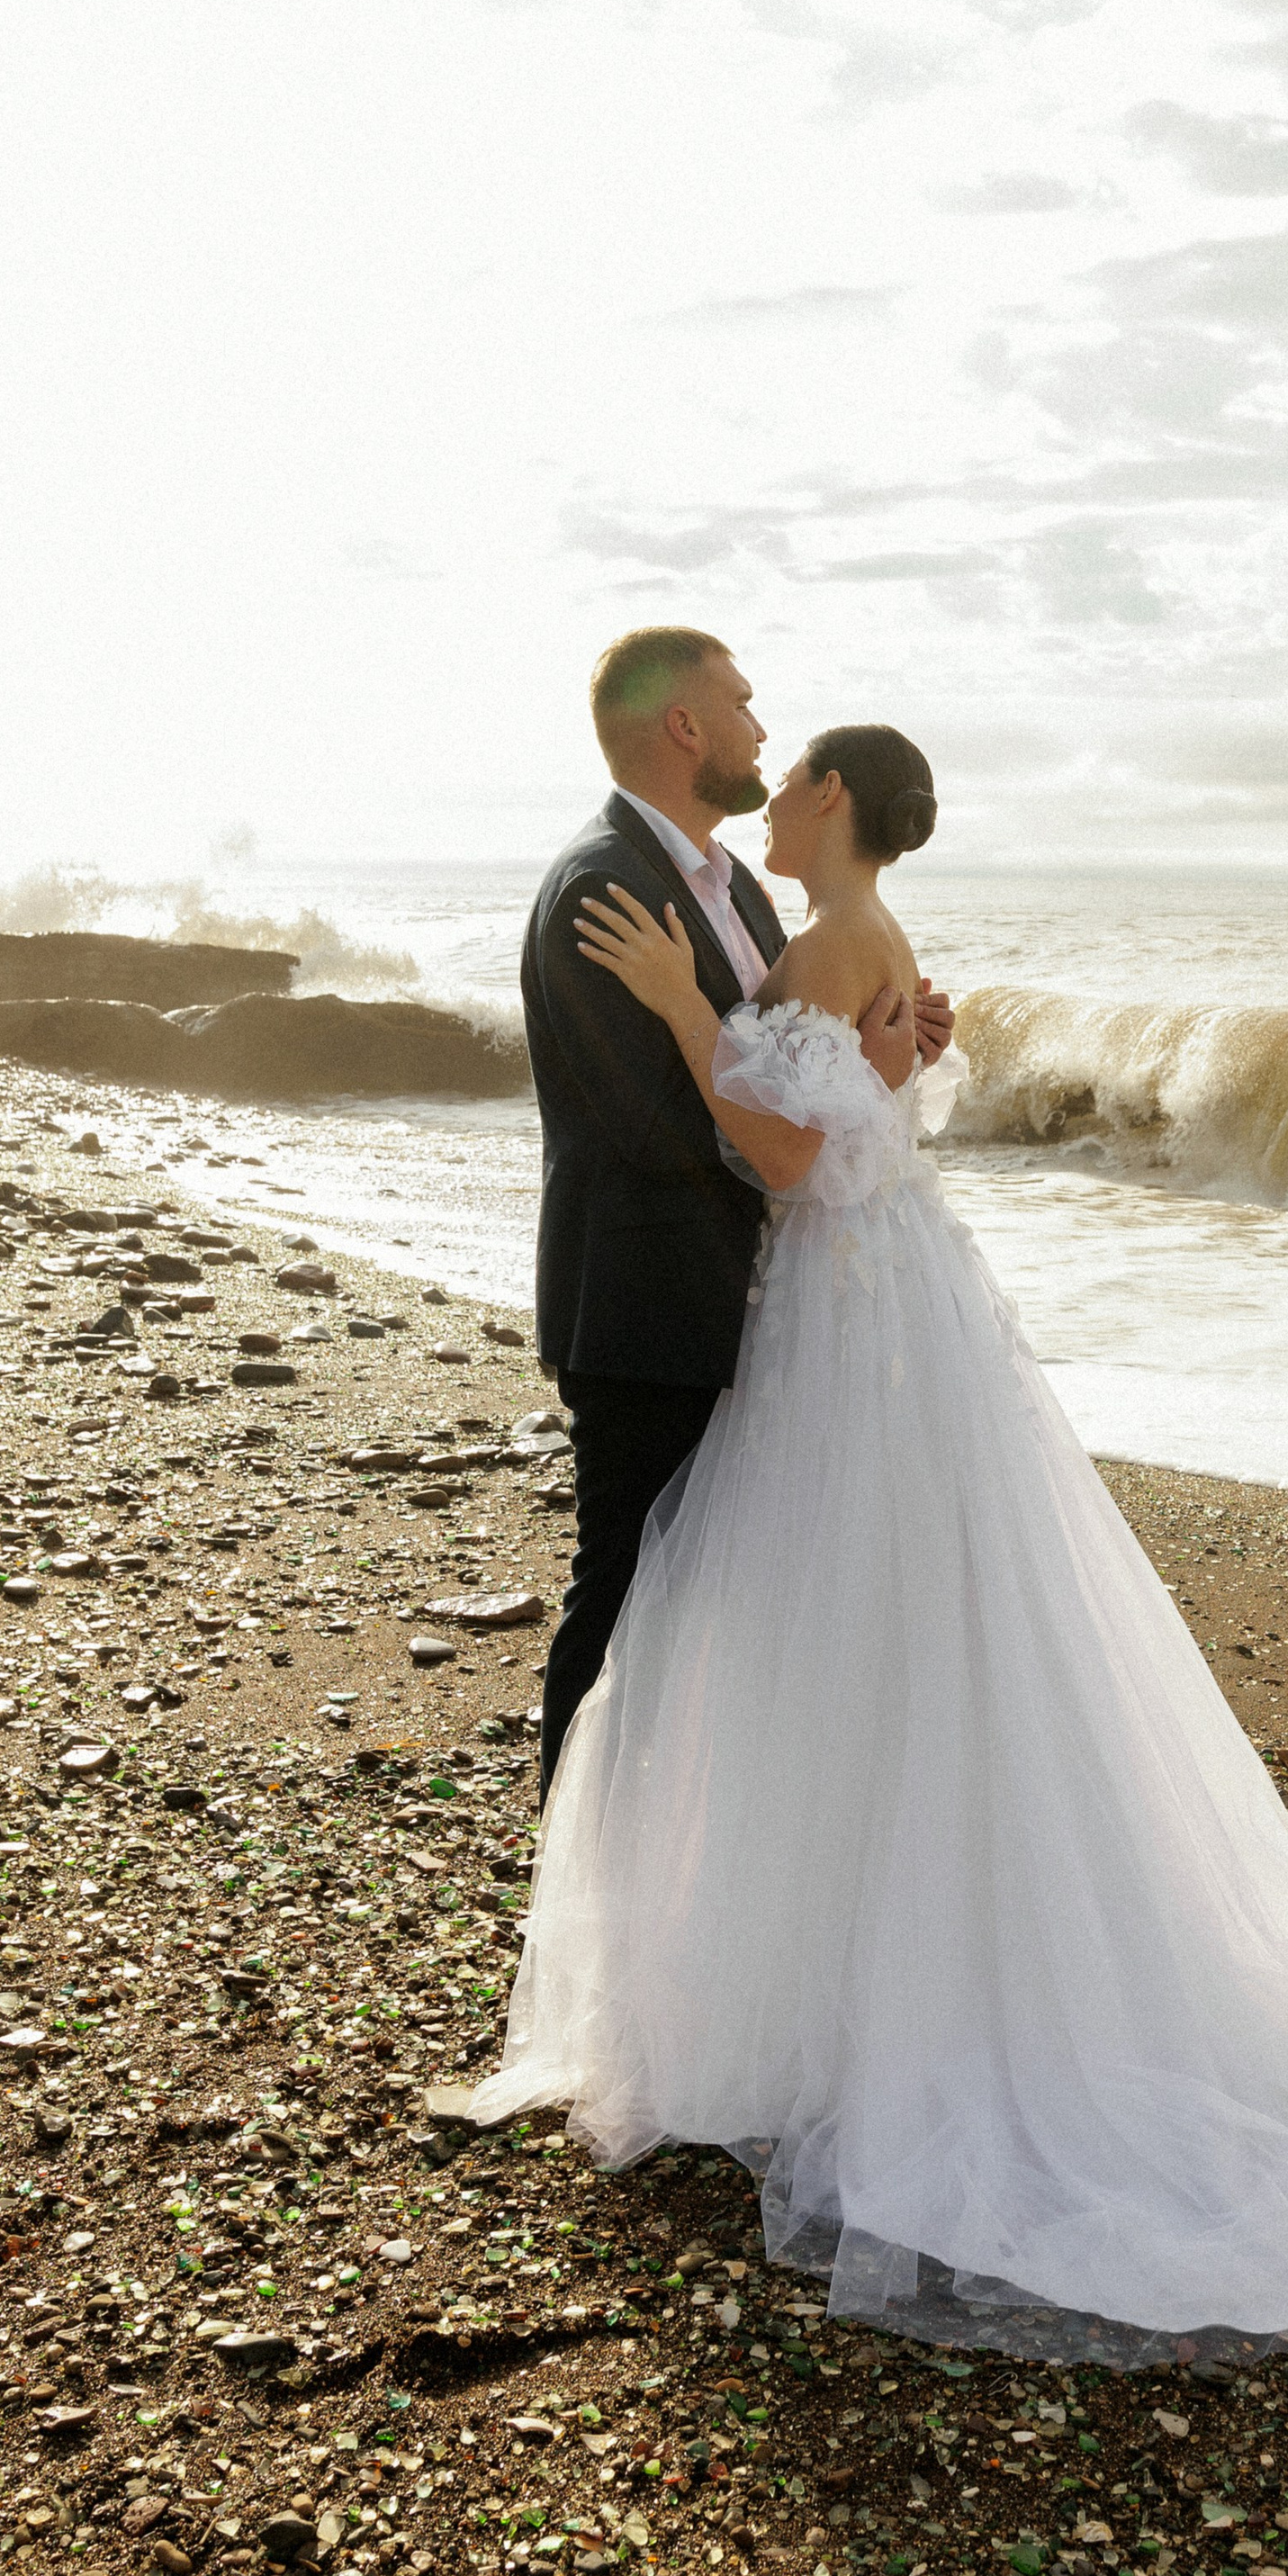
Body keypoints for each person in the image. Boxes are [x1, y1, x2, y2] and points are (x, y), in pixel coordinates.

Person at [474, 714, 1288, 2366]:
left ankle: (854, 1990)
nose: (775, 781)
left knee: (844, 1628)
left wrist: (679, 1011)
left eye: (799, 777)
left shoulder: (827, 936)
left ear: (840, 804)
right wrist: (849, 1044)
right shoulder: (845, 937)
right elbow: (861, 1094)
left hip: (844, 1315)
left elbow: (796, 1159)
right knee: (892, 1632)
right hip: (882, 1316)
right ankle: (849, 1970)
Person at [522, 627, 951, 1797]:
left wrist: (882, 1057)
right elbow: (648, 1124)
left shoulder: (748, 893)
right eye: (745, 703)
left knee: (724, 1610)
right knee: (622, 1599)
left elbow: (797, 1068)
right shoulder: (603, 888)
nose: (763, 727)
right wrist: (840, 1107)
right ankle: (578, 1883)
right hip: (650, 1302)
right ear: (685, 725)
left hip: (753, 1303)